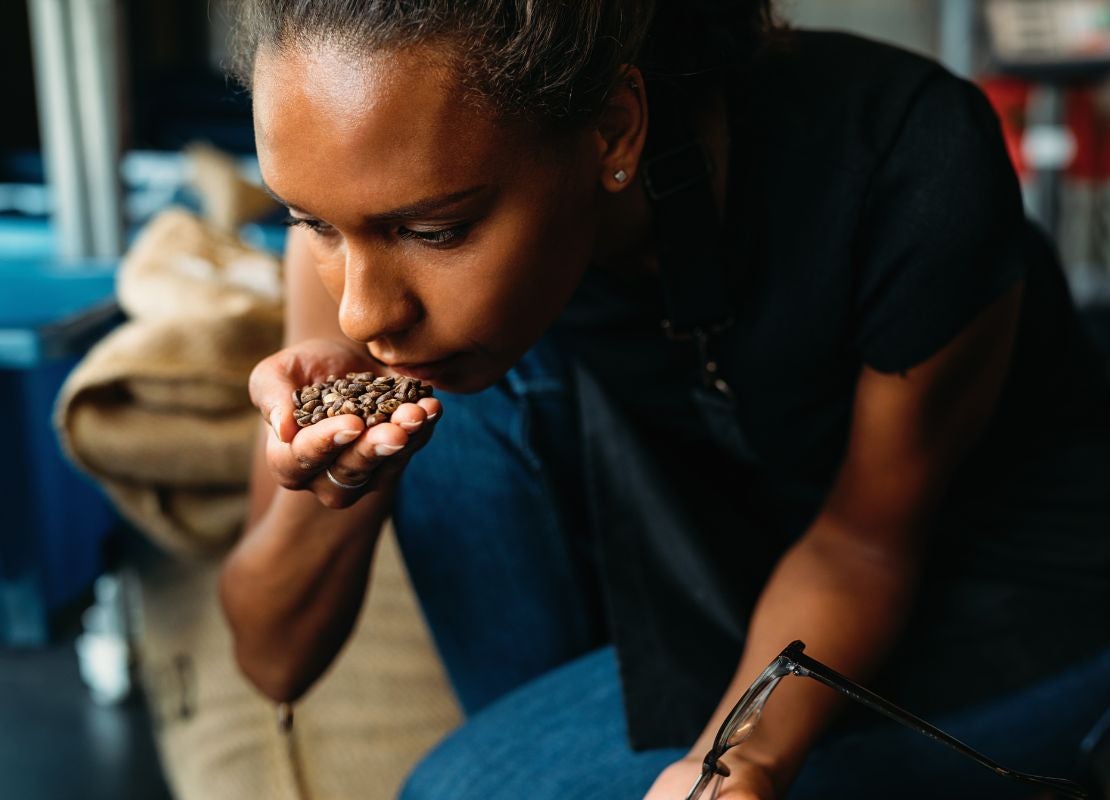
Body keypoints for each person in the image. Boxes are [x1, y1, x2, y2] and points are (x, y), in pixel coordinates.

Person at [218, 1, 1110, 797]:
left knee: (466, 788)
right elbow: (272, 657)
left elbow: (864, 546)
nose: (362, 310)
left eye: (435, 228)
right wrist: (338, 466)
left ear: (613, 129)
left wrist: (737, 764)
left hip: (985, 591)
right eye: (312, 222)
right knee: (453, 393)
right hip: (707, 535)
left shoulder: (908, 163)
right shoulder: (362, 217)